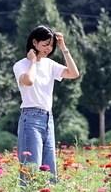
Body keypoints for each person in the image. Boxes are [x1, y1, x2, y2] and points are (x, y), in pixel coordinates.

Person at [13, 24, 80, 181]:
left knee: (50, 172)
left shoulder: (50, 65)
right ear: (35, 43)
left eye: (51, 45)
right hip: (30, 119)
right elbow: (28, 81)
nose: (48, 49)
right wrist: (33, 62)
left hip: (47, 119)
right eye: (45, 44)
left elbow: (74, 73)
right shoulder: (21, 65)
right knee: (31, 170)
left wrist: (64, 48)